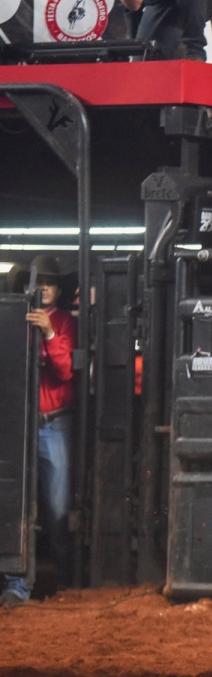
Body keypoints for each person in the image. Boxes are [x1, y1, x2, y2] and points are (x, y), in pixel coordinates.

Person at [2, 255, 76, 608]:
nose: (43, 287)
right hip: (20, 424)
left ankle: (63, 585)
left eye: (49, 282)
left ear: (58, 290)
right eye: (39, 281)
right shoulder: (14, 318)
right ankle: (17, 584)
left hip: (53, 423)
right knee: (17, 506)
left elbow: (65, 372)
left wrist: (48, 332)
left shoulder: (65, 323)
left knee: (57, 509)